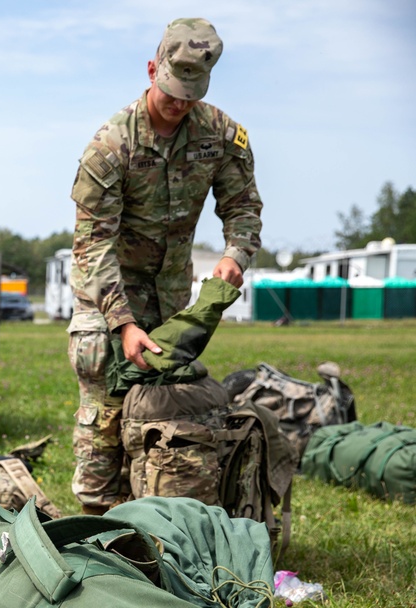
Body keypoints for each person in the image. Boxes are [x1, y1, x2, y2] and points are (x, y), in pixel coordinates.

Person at [67, 17, 262, 515]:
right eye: (171, 91)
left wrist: (233, 257)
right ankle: (93, 525)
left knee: (166, 414)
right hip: (108, 296)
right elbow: (93, 246)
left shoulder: (221, 134)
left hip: (171, 299)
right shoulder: (111, 146)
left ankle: (154, 521)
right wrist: (123, 323)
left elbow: (243, 207)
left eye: (190, 95)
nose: (178, 105)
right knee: (107, 409)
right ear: (152, 69)